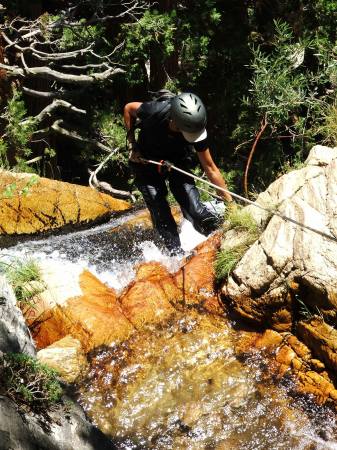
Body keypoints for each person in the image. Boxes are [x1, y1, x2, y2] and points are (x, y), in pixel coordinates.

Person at [124, 92, 232, 254]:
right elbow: (128, 108)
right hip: (146, 162)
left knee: (197, 212)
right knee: (162, 214)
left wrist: (231, 206)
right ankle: (176, 255)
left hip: (176, 162)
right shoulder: (155, 111)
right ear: (173, 120)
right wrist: (133, 144)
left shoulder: (195, 128)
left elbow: (210, 167)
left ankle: (223, 239)